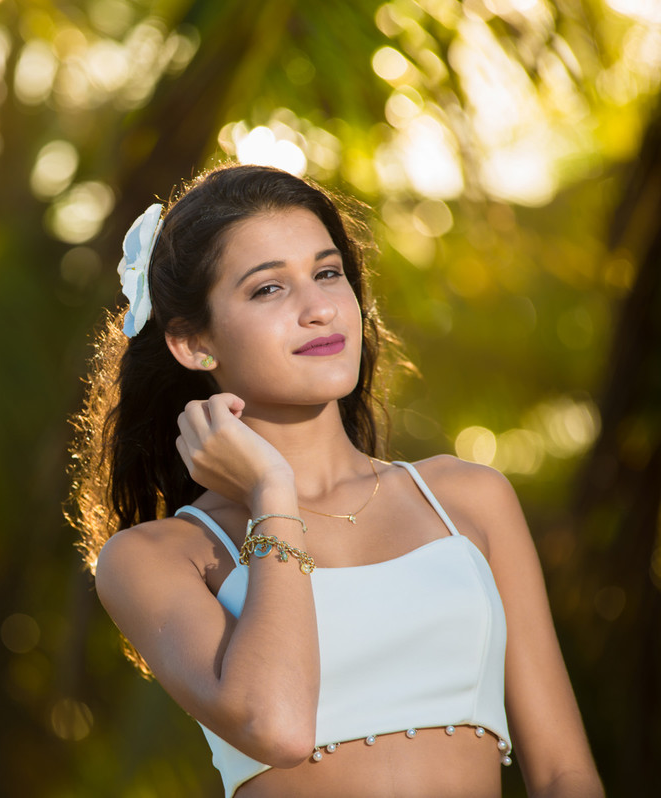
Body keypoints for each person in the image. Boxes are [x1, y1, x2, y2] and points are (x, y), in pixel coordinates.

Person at [69, 164, 603, 797]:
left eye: (328, 274)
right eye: (269, 289)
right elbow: (278, 727)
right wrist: (272, 492)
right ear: (193, 342)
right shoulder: (154, 558)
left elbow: (566, 773)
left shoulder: (470, 499)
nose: (319, 308)